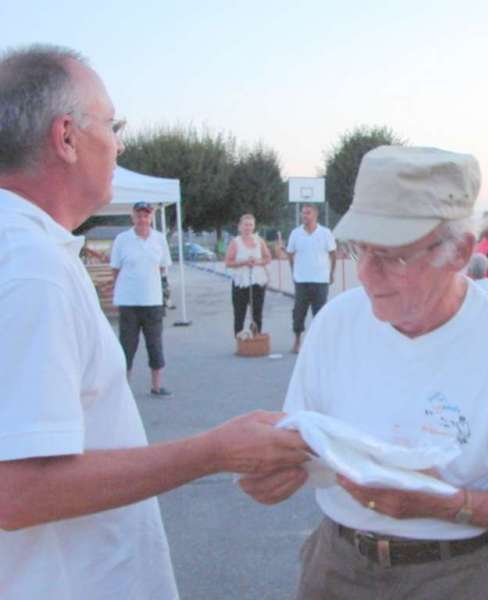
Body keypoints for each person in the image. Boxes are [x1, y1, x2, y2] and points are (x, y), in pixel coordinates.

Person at [0, 45, 309, 599]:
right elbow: (16, 491)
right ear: (66, 136)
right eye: (114, 125)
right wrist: (212, 451)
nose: (121, 143)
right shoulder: (29, 269)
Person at [240, 145, 488, 599]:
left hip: (460, 575)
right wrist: (274, 468)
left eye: (393, 256)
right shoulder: (335, 323)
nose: (365, 274)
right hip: (337, 564)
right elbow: (305, 443)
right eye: (360, 248)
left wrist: (450, 505)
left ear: (460, 251)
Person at [111, 201, 173, 395]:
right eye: (139, 215)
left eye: (146, 215)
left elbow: (163, 266)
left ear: (151, 217)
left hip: (152, 301)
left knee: (155, 344)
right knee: (127, 346)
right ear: (133, 217)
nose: (142, 219)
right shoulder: (122, 239)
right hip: (129, 302)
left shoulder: (159, 239)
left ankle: (156, 386)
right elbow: (115, 268)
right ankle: (123, 389)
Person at [286, 203, 336, 353]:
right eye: (303, 213)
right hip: (301, 280)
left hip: (321, 280)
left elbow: (333, 254)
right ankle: (297, 341)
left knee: (320, 313)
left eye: (307, 213)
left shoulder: (326, 233)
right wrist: (293, 271)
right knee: (298, 312)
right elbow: (290, 253)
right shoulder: (295, 233)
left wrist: (331, 273)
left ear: (315, 215)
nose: (304, 216)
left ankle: (319, 342)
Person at [225, 213, 272, 336]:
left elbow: (267, 258)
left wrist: (257, 262)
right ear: (240, 227)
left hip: (257, 281)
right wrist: (244, 262)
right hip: (241, 282)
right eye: (245, 225)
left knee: (257, 313)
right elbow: (228, 262)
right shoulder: (235, 242)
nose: (248, 228)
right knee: (239, 313)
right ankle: (240, 341)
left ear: (254, 226)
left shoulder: (259, 241)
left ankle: (256, 338)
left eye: (250, 225)